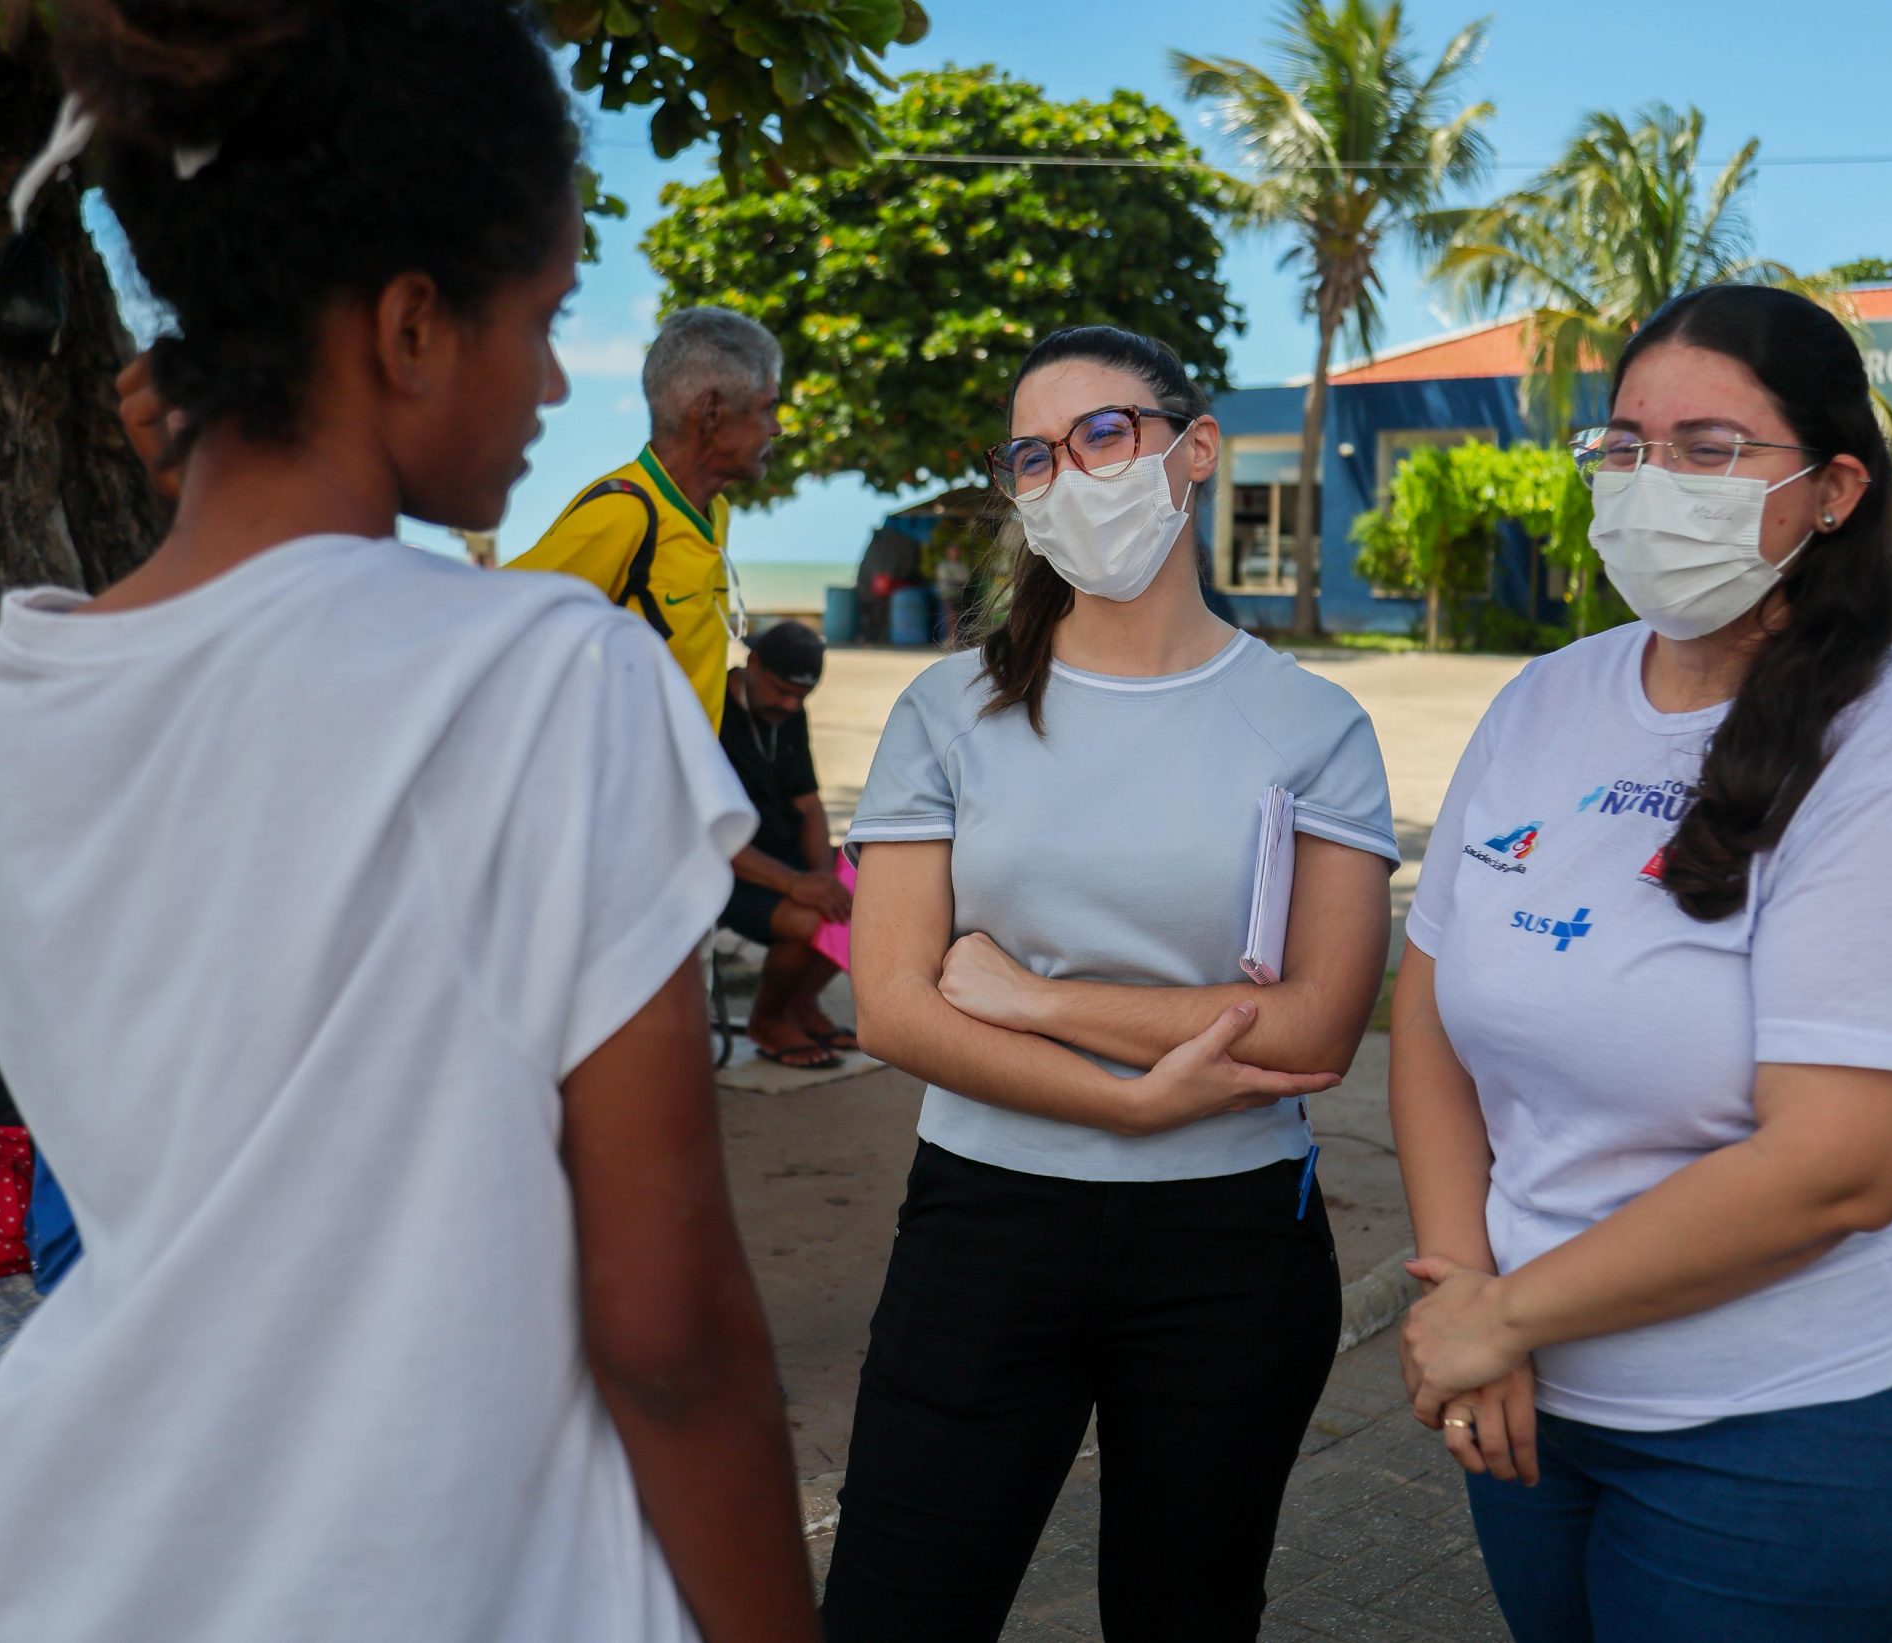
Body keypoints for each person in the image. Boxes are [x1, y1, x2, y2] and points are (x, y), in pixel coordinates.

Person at [0, 0, 813, 1639]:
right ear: (412, 324)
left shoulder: (27, 689)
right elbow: (671, 1330)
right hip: (452, 1581)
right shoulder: (544, 677)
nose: (557, 385)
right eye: (546, 317)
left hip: (91, 1571)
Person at [1389, 285, 1892, 1643]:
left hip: (1810, 1432)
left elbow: (1842, 1162)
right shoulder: (1543, 703)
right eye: (1625, 444)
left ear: (1834, 488)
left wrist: (1507, 1309)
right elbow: (1431, 1009)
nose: (1648, 481)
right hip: (1534, 1405)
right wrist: (1459, 1274)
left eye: (1707, 447)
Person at [824, 326, 1400, 1640]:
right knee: (894, 1609)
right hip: (983, 1230)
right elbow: (896, 1001)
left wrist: (1034, 1000)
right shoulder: (946, 707)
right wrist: (1131, 1099)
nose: (1069, 473)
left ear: (1195, 451)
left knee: (1186, 1615)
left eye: (1105, 434)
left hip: (1230, 1249)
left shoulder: (1314, 723)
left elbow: (1315, 1026)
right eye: (1034, 453)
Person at [510, 305, 783, 730]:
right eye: (768, 408)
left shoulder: (715, 513)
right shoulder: (623, 513)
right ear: (711, 410)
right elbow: (496, 627)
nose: (777, 428)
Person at [719, 621, 857, 1069]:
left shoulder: (789, 713)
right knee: (809, 922)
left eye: (801, 696)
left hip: (783, 860)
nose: (790, 705)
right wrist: (798, 884)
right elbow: (709, 833)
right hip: (721, 868)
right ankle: (768, 1018)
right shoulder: (711, 709)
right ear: (752, 663)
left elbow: (810, 806)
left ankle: (801, 1004)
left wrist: (819, 877)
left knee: (867, 893)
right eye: (781, 691)